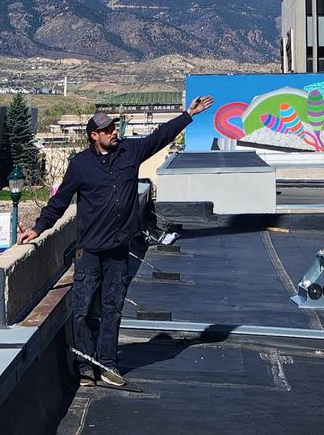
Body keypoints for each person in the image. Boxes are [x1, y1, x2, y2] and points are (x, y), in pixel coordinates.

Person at [21, 93, 215, 388]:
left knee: (112, 307)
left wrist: (189, 115)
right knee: (83, 310)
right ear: (93, 135)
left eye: (115, 128)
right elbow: (59, 201)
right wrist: (39, 228)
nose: (115, 133)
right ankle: (86, 364)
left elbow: (161, 136)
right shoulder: (80, 166)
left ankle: (108, 363)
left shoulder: (130, 152)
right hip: (89, 251)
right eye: (109, 130)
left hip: (118, 249)